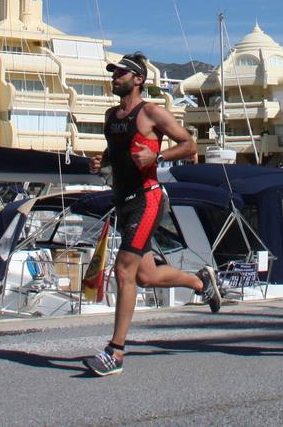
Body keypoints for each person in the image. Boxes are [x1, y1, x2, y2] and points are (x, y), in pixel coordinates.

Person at [82, 52, 221, 376]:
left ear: (138, 79)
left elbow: (189, 145)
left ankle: (115, 352)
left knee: (124, 269)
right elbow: (114, 153)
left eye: (121, 73)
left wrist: (156, 155)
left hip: (148, 199)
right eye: (113, 73)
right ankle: (200, 282)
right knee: (144, 275)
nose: (115, 77)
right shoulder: (110, 116)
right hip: (123, 200)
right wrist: (101, 163)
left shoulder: (152, 113)